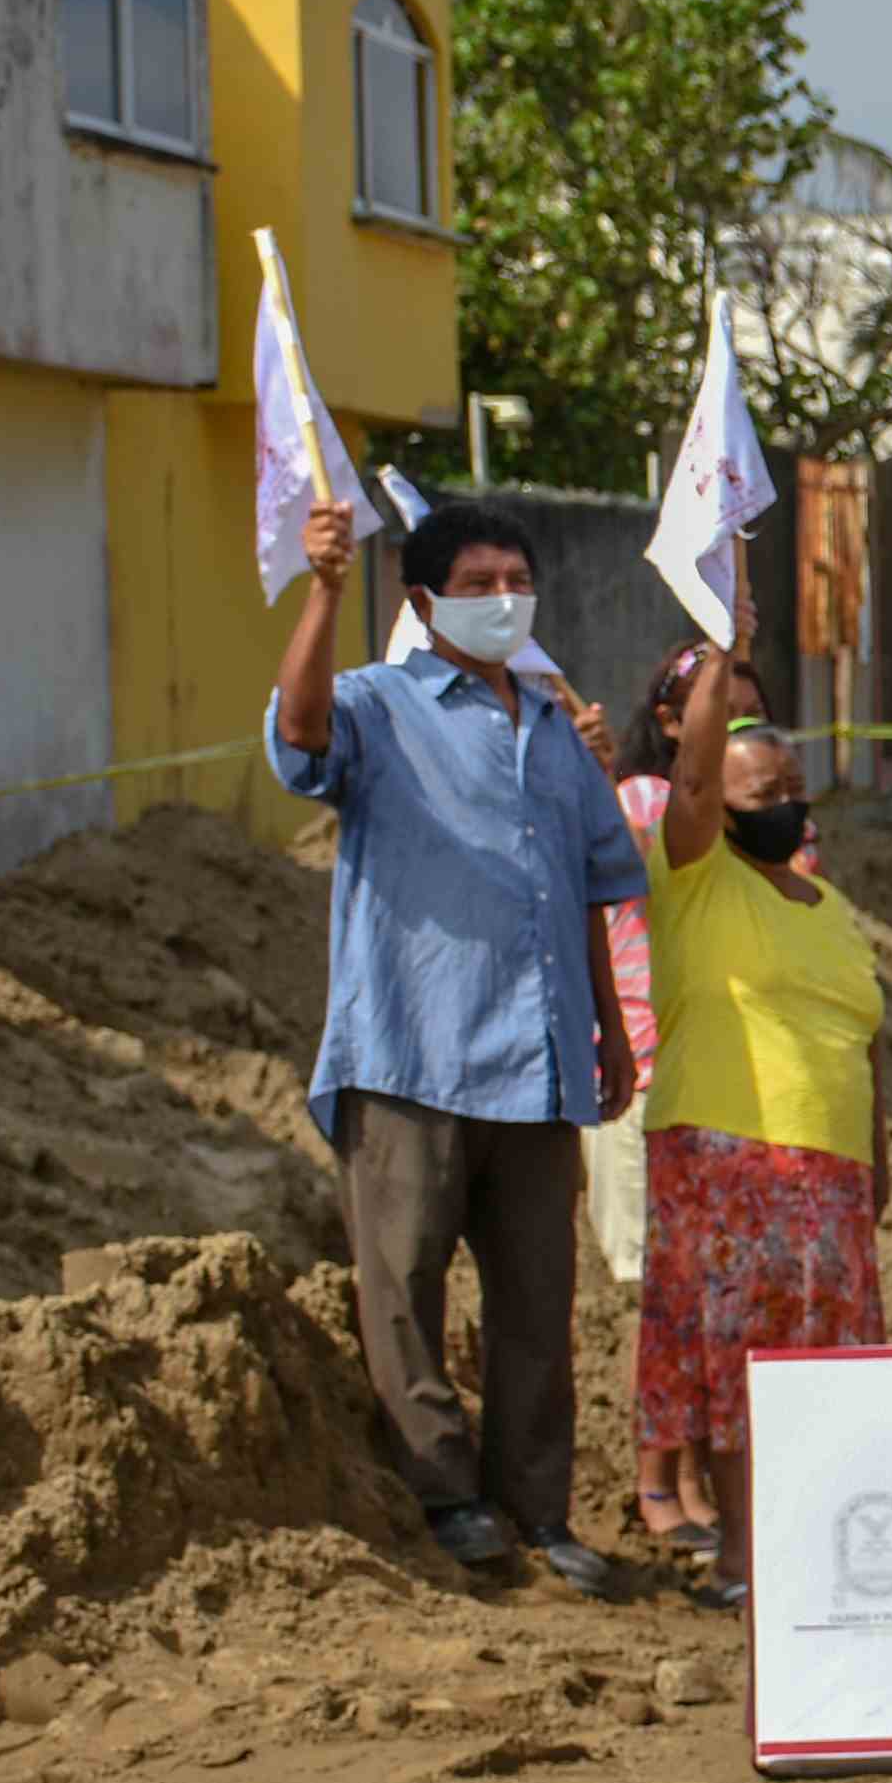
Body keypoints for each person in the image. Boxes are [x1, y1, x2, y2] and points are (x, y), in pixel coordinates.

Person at [267, 496, 639, 1599]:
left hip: (541, 1064)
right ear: (423, 601)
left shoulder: (555, 727)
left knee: (536, 1303)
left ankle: (540, 1508)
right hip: (410, 1054)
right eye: (475, 583)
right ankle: (444, 1495)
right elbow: (298, 737)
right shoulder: (377, 705)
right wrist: (326, 589)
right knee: (404, 1285)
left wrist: (608, 1024)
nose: (501, 598)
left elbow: (592, 884)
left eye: (514, 579)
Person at [635, 619, 886, 1610]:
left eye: (793, 788)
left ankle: (814, 1544)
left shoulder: (827, 905)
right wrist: (721, 633)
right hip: (729, 1162)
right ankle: (743, 1558)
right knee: (744, 1370)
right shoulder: (694, 876)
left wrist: (877, 1159)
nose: (783, 804)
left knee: (828, 1372)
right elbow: (690, 785)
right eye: (759, 791)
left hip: (831, 1177)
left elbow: (863, 1042)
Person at [587, 638, 821, 1551]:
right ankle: (663, 1477)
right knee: (664, 1295)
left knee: (722, 1298)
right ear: (677, 722)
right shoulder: (648, 803)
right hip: (656, 1070)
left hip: (753, 1082)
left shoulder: (784, 821)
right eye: (719, 707)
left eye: (750, 709)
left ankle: (711, 1477)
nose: (738, 723)